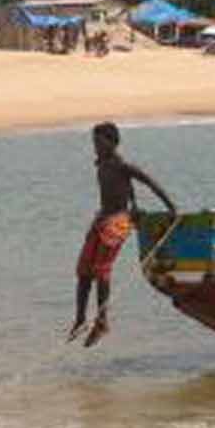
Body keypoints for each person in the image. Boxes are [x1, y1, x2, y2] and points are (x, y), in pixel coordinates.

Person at [69, 122, 176, 349]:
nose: (95, 147)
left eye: (99, 143)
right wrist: (134, 202)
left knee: (101, 270)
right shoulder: (101, 165)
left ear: (112, 143)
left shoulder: (122, 165)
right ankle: (80, 319)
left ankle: (102, 321)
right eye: (94, 143)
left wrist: (171, 208)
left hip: (118, 221)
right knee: (83, 270)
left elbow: (150, 182)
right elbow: (128, 189)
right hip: (102, 219)